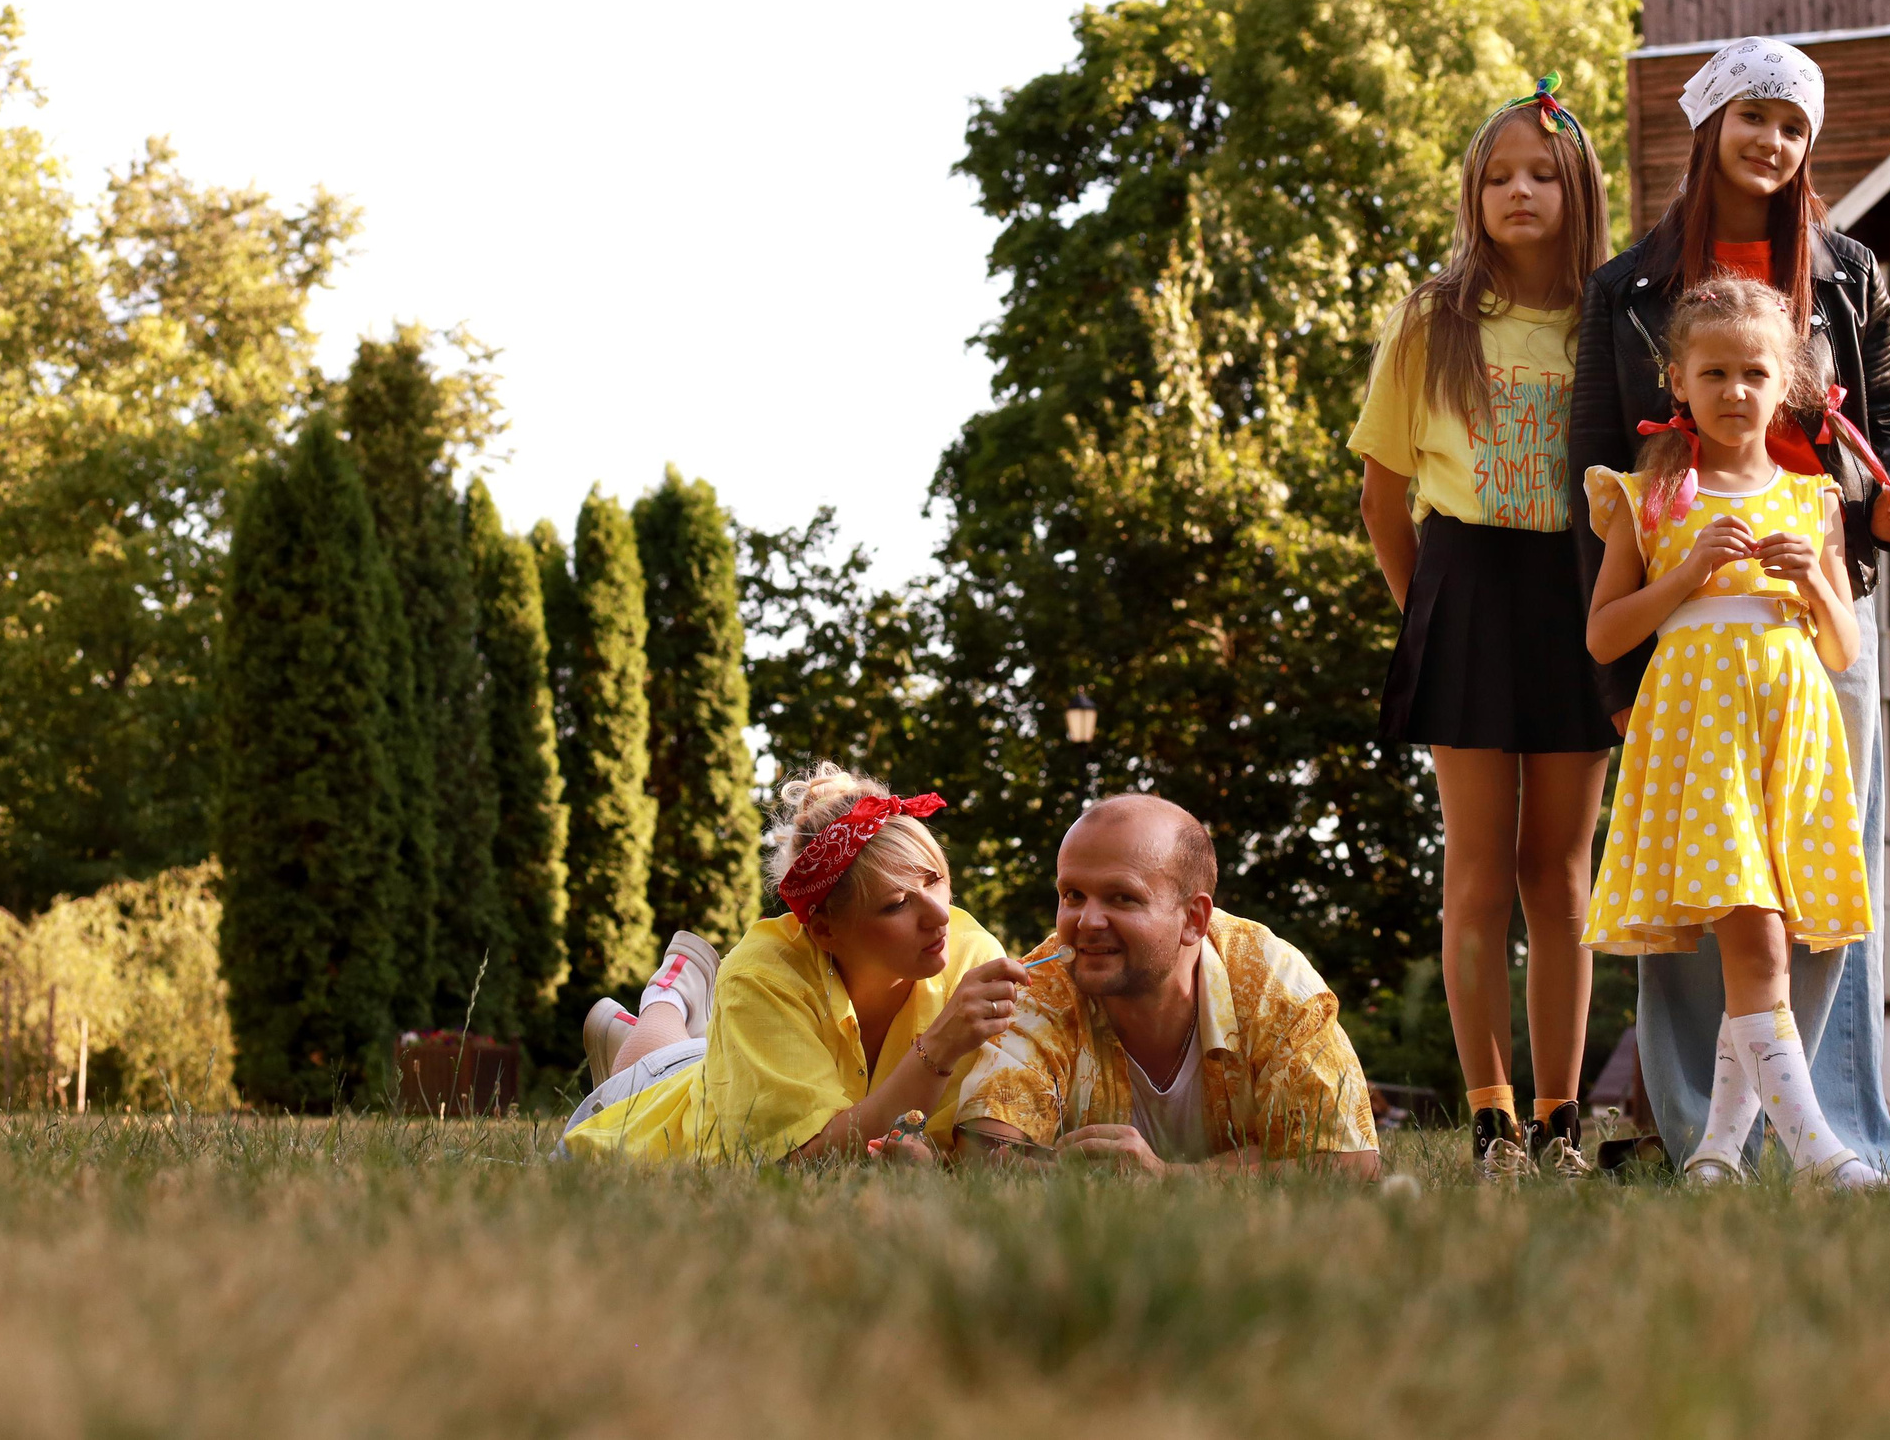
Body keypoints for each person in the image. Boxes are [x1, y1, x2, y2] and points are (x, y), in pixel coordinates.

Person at [1567, 37, 1890, 1177]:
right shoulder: (1625, 289)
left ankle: (1835, 1133)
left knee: (1824, 881)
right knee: (1690, 890)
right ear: (1709, 127)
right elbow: (1596, 473)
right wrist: (1620, 674)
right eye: (1752, 118)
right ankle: (1698, 1138)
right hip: (1684, 628)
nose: (1771, 142)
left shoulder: (1851, 272)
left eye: (1793, 125)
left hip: (1817, 606)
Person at [1347, 73, 1619, 1179]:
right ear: (1472, 193)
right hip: (1464, 583)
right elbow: (1381, 498)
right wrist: (1433, 623)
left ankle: (1560, 1117)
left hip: (1575, 590)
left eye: (1540, 175)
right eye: (1497, 176)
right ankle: (1492, 1117)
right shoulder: (1430, 319)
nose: (1519, 191)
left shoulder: (1613, 318)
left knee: (1557, 872)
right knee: (1475, 870)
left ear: (1576, 188)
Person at [1581, 275, 1890, 1189]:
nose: (1734, 391)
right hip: (1697, 739)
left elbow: (1839, 644)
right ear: (1677, 381)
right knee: (1754, 940)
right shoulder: (1651, 496)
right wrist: (1685, 578)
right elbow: (1604, 633)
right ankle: (1819, 1155)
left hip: (1786, 739)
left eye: (1755, 372)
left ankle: (1716, 1153)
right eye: (1712, 372)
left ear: (1786, 381)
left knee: (1775, 943)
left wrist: (1819, 584)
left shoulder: (1815, 501)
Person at [557, 763, 1031, 1164]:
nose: (939, 914)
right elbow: (799, 1159)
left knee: (702, 1055)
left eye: (936, 881)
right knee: (660, 1066)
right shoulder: (760, 975)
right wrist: (939, 1048)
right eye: (897, 904)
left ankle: (683, 1019)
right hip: (680, 1108)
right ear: (824, 928)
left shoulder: (970, 953)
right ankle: (669, 992)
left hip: (754, 1063)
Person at [953, 793, 1380, 1179]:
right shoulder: (1040, 985)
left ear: (1194, 919)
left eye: (1122, 897)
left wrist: (1170, 1178)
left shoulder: (1272, 981)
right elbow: (986, 1155)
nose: (1087, 921)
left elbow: (1352, 1165)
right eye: (1073, 895)